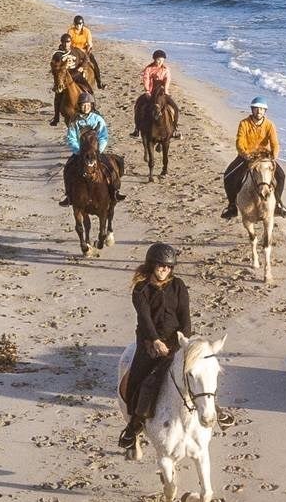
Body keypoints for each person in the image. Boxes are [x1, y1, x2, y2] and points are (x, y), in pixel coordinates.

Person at [120, 243, 191, 450]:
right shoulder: (140, 289)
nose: (164, 269)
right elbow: (144, 319)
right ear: (152, 265)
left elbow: (185, 317)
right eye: (161, 265)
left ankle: (216, 410)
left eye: (168, 267)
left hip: (176, 340)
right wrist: (155, 341)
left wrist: (183, 341)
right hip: (149, 342)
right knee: (137, 378)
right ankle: (134, 425)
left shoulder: (178, 285)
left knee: (197, 373)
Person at [221, 96, 286, 219]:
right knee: (228, 176)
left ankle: (277, 205)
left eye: (262, 109)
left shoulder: (269, 125)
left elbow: (275, 143)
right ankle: (232, 206)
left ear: (265, 111)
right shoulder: (244, 123)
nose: (259, 111)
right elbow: (239, 142)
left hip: (264, 157)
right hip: (247, 156)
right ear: (252, 110)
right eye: (256, 109)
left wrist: (273, 157)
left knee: (281, 176)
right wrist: (245, 154)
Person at [59, 99, 126, 206]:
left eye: (88, 105)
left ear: (91, 106)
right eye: (83, 105)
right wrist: (77, 150)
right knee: (68, 168)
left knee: (110, 167)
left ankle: (115, 191)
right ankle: (69, 196)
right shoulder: (74, 120)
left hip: (96, 150)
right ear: (79, 106)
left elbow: (103, 136)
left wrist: (99, 150)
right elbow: (71, 137)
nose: (86, 107)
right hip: (80, 151)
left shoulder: (98, 119)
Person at [133, 49, 173, 140]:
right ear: (154, 59)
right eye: (158, 60)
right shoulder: (149, 69)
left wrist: (166, 90)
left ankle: (174, 129)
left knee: (173, 107)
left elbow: (167, 80)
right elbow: (146, 79)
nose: (160, 62)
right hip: (151, 92)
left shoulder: (166, 69)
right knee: (139, 105)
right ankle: (137, 129)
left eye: (162, 60)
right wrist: (147, 90)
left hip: (161, 93)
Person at [67, 15, 101, 87]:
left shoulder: (87, 31)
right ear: (74, 24)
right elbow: (68, 43)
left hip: (84, 51)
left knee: (95, 65)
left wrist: (87, 52)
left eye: (80, 24)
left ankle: (99, 82)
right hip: (73, 51)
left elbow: (89, 43)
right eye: (77, 24)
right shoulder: (71, 31)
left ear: (82, 24)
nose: (78, 26)